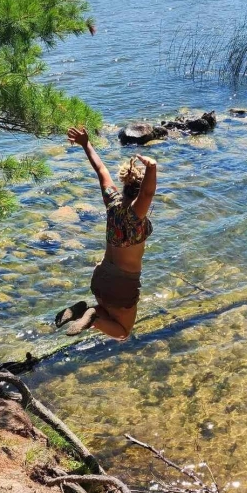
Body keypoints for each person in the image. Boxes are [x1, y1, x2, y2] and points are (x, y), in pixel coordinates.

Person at [55, 127, 157, 340]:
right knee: (123, 332)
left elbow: (101, 169)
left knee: (108, 313)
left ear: (125, 186)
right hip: (122, 284)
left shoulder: (113, 203)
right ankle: (92, 318)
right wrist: (152, 168)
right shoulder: (135, 216)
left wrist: (86, 143)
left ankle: (83, 311)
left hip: (101, 277)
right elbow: (147, 192)